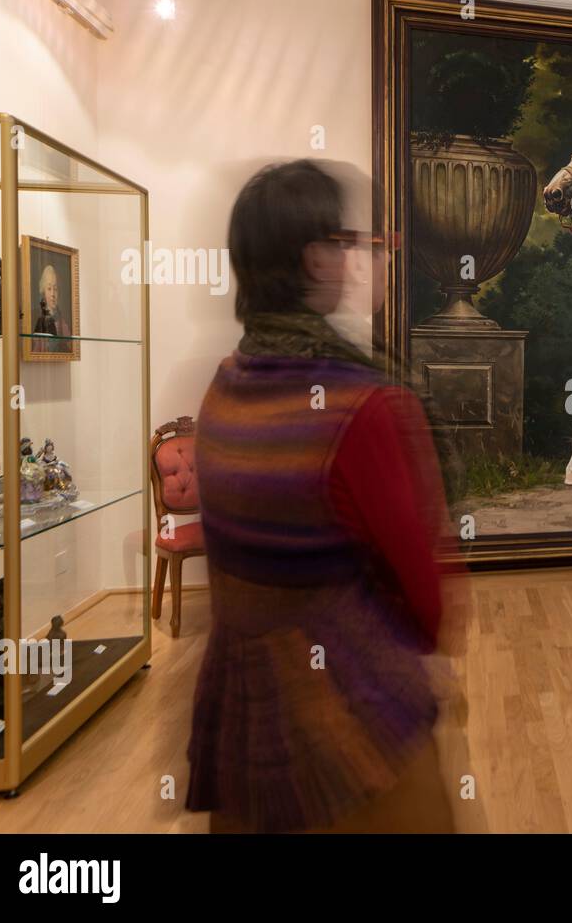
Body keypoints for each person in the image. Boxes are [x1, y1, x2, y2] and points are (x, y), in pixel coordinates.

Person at [186, 159, 460, 833]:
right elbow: (425, 605)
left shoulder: (223, 387)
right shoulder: (363, 405)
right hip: (352, 730)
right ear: (315, 259)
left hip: (241, 726)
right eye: (347, 240)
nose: (359, 254)